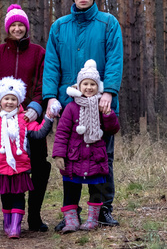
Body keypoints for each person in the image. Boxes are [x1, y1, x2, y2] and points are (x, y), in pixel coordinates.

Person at [42, 0, 124, 228]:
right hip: (69, 105)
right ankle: (71, 214)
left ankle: (103, 210)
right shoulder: (59, 27)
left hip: (101, 105)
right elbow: (51, 64)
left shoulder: (108, 23)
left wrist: (108, 91)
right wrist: (50, 97)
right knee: (70, 159)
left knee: (102, 158)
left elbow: (114, 59)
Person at [0, 3, 52, 231]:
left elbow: (43, 83)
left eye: (21, 25)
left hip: (29, 119)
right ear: (8, 28)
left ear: (26, 28)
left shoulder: (38, 52)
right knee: (4, 169)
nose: (17, 29)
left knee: (39, 166)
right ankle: (10, 216)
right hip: (0, 119)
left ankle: (34, 216)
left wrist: (37, 107)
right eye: (14, 25)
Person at [0, 77, 55, 238]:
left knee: (19, 197)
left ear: (18, 101)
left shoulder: (24, 119)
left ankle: (15, 227)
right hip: (0, 168)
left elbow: (39, 133)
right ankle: (7, 223)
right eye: (6, 99)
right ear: (0, 100)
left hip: (20, 167)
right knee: (6, 198)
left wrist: (49, 117)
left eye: (13, 99)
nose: (10, 102)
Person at [51, 60, 120, 232]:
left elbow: (112, 129)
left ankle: (92, 219)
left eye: (92, 84)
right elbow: (61, 133)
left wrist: (108, 115)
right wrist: (59, 155)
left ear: (98, 87)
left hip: (95, 157)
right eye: (85, 84)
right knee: (71, 188)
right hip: (74, 157)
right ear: (79, 86)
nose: (89, 88)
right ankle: (71, 220)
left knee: (96, 188)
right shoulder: (71, 108)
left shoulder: (102, 106)